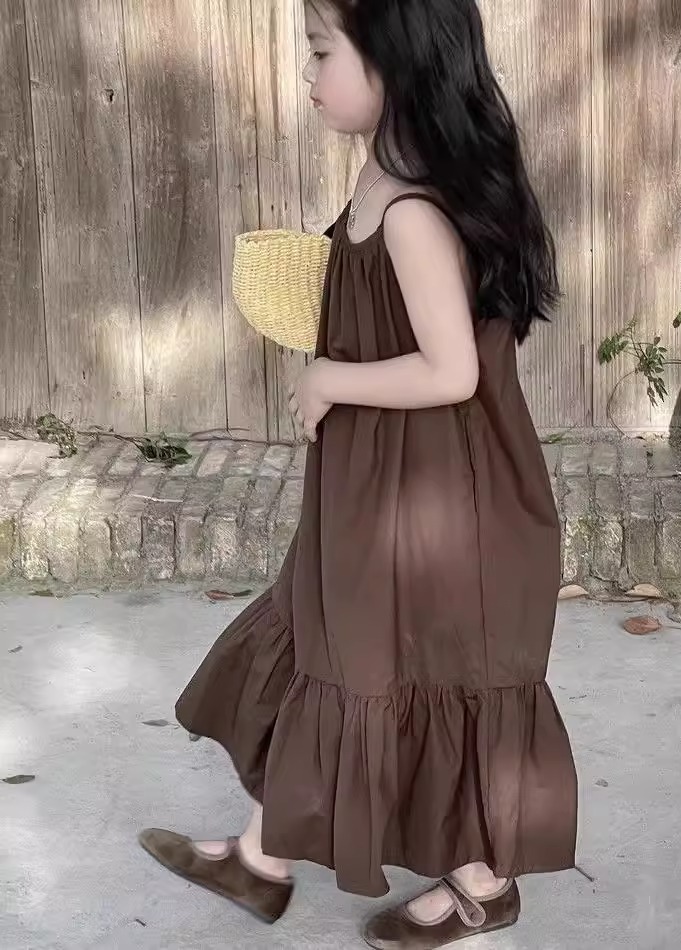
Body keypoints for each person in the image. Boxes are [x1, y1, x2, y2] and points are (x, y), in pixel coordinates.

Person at [138, 0, 578, 945]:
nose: (309, 73)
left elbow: (452, 371)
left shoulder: (414, 210)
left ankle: (483, 881)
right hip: (379, 486)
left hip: (439, 505)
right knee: (330, 646)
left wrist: (332, 376)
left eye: (322, 51)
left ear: (392, 60)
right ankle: (261, 856)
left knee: (397, 667)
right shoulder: (385, 175)